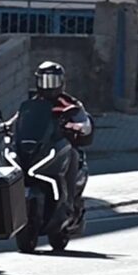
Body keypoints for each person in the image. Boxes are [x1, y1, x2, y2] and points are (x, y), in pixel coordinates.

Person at [28, 61, 94, 225]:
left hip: (61, 145)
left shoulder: (70, 103)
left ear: (61, 83)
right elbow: (20, 117)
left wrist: (77, 126)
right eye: (44, 81)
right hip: (40, 147)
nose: (48, 86)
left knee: (72, 155)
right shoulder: (33, 102)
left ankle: (68, 204)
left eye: (53, 81)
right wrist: (7, 126)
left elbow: (84, 122)